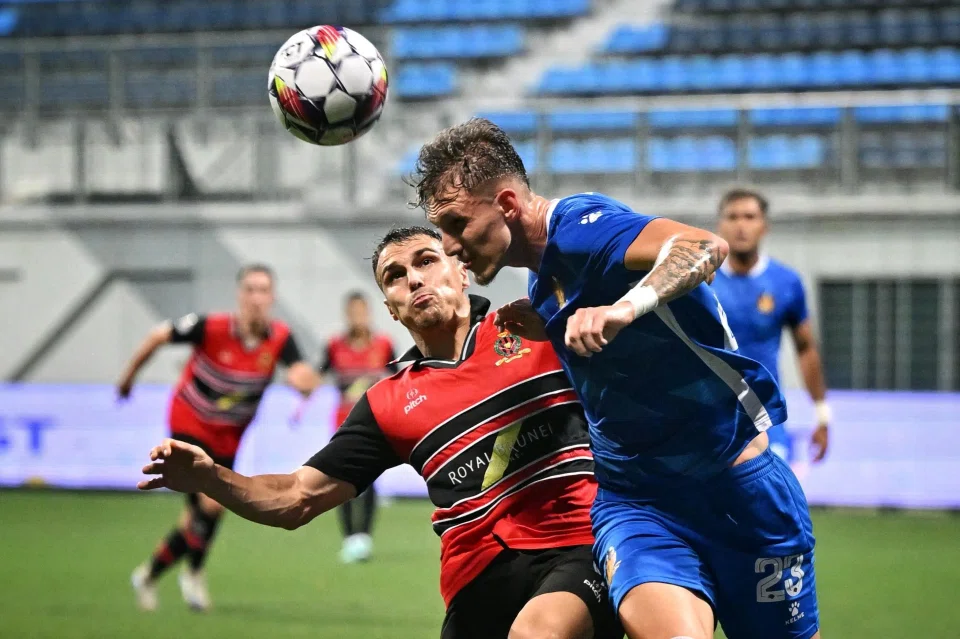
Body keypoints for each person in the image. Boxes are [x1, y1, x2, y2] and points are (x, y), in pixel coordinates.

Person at [411, 118, 821, 639]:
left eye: (455, 224)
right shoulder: (544, 283)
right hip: (638, 504)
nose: (448, 245)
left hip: (739, 494)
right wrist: (549, 328)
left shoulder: (587, 228)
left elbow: (703, 247)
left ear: (508, 205)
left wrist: (623, 310)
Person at [138, 227, 622, 639]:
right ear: (390, 309)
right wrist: (209, 477)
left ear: (462, 271)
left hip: (580, 545)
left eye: (427, 261)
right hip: (476, 578)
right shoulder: (387, 403)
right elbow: (295, 498)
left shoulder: (534, 326)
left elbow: (634, 368)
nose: (413, 278)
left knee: (538, 633)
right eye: (394, 276)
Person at [118, 263, 318, 612]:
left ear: (272, 298)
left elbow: (301, 371)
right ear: (240, 296)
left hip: (230, 436)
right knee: (210, 503)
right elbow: (157, 336)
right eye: (250, 290)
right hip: (190, 422)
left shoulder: (280, 338)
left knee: (206, 513)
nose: (256, 298)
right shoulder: (209, 327)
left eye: (263, 291)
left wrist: (304, 382)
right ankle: (191, 576)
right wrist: (128, 377)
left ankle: (150, 574)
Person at [711, 187, 830, 465]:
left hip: (766, 416)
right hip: (711, 414)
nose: (741, 226)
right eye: (733, 217)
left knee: (771, 505)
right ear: (720, 226)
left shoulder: (785, 282)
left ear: (764, 226)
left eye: (750, 217)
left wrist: (822, 415)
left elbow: (806, 348)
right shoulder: (703, 282)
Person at [318, 291, 397, 563]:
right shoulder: (334, 346)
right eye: (353, 312)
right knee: (340, 481)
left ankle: (364, 537)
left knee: (370, 479)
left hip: (374, 423)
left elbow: (397, 378)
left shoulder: (383, 345)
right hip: (342, 425)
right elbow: (317, 376)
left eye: (361, 311)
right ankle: (349, 537)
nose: (357, 317)